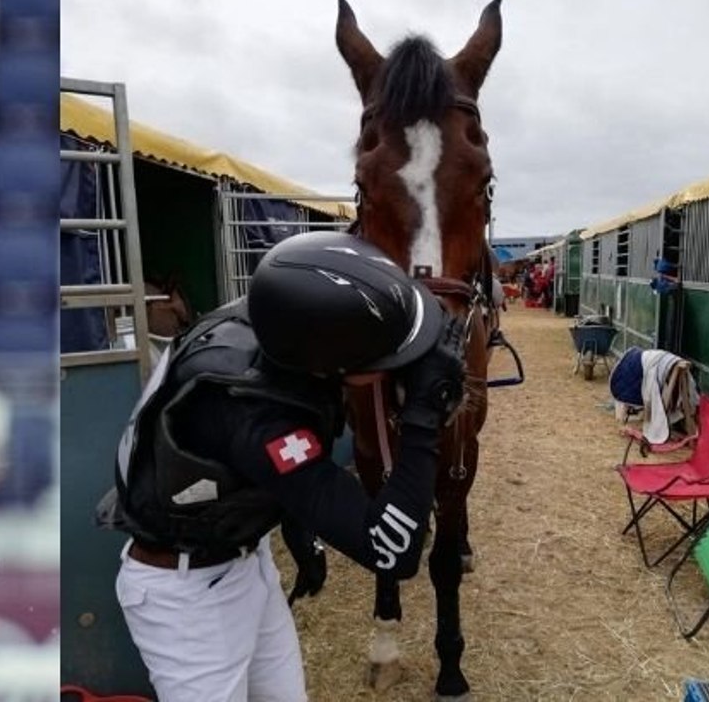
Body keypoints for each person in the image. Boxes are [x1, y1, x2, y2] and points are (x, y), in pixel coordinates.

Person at [96, 231, 466, 701]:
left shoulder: (267, 324)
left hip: (243, 558)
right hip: (185, 597)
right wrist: (422, 417)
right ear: (330, 361)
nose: (400, 368)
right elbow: (393, 552)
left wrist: (296, 526)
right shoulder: (256, 416)